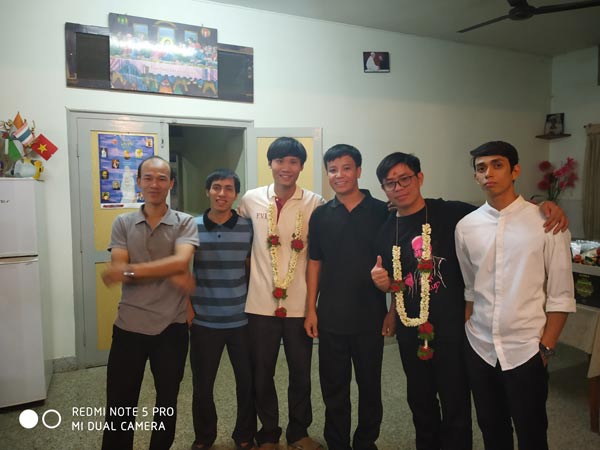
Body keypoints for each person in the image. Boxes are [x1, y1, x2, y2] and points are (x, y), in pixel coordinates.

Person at [370, 152, 568, 450]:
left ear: (420, 178)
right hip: (411, 332)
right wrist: (387, 296)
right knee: (420, 403)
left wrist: (544, 207)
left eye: (405, 179)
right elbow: (396, 279)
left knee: (456, 405)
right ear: (384, 189)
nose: (399, 187)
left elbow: (501, 211)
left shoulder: (453, 214)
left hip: (453, 331)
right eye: (390, 183)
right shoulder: (386, 230)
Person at [455, 141, 576, 450]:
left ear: (515, 171)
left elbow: (561, 294)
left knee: (532, 432)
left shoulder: (548, 223)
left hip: (527, 349)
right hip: (480, 347)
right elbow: (471, 288)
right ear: (475, 177)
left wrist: (546, 348)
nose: (488, 173)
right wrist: (469, 331)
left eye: (497, 165)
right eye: (481, 168)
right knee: (492, 429)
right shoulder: (466, 227)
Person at [100, 155, 198, 450]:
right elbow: (122, 268)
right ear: (139, 182)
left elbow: (178, 262)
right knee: (120, 402)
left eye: (162, 178)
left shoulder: (185, 222)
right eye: (149, 178)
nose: (155, 184)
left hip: (172, 327)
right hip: (129, 325)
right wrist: (169, 270)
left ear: (171, 183)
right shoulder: (123, 222)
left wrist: (130, 271)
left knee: (167, 401)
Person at [238, 137, 324, 450]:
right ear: (270, 164)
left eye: (293, 162)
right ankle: (268, 433)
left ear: (301, 167)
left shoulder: (314, 203)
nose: (285, 167)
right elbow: (240, 242)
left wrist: (313, 306)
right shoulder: (251, 200)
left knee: (300, 372)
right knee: (262, 372)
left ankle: (298, 431)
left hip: (300, 304)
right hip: (260, 303)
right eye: (279, 161)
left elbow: (318, 257)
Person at [305, 144, 391, 450]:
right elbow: (315, 263)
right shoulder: (320, 215)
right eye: (332, 170)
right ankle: (337, 442)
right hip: (331, 316)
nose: (339, 175)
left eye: (346, 168)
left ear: (358, 171)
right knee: (334, 388)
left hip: (370, 317)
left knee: (370, 387)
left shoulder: (382, 211)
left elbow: (396, 264)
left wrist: (393, 311)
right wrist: (311, 309)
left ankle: (366, 441)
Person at [189, 169, 256, 450]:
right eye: (216, 187)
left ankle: (244, 434)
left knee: (247, 382)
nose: (222, 193)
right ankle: (204, 437)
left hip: (242, 319)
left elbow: (252, 268)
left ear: (236, 194)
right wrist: (188, 309)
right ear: (207, 191)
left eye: (229, 189)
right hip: (204, 320)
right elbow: (183, 270)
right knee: (202, 385)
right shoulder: (191, 226)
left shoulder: (247, 227)